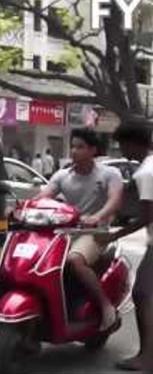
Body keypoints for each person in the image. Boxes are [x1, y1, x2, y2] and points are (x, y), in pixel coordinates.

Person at [36, 128, 123, 332]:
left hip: (95, 232)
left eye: (80, 147)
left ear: (93, 150)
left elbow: (115, 200)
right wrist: (20, 208)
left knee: (75, 260)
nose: (74, 151)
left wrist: (98, 217)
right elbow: (43, 197)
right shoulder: (63, 175)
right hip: (65, 232)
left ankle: (105, 307)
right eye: (72, 146)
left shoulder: (109, 173)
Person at [97, 120, 153, 372]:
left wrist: (114, 235)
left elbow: (147, 217)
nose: (122, 151)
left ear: (132, 143)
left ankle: (146, 357)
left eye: (122, 145)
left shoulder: (146, 172)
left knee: (142, 293)